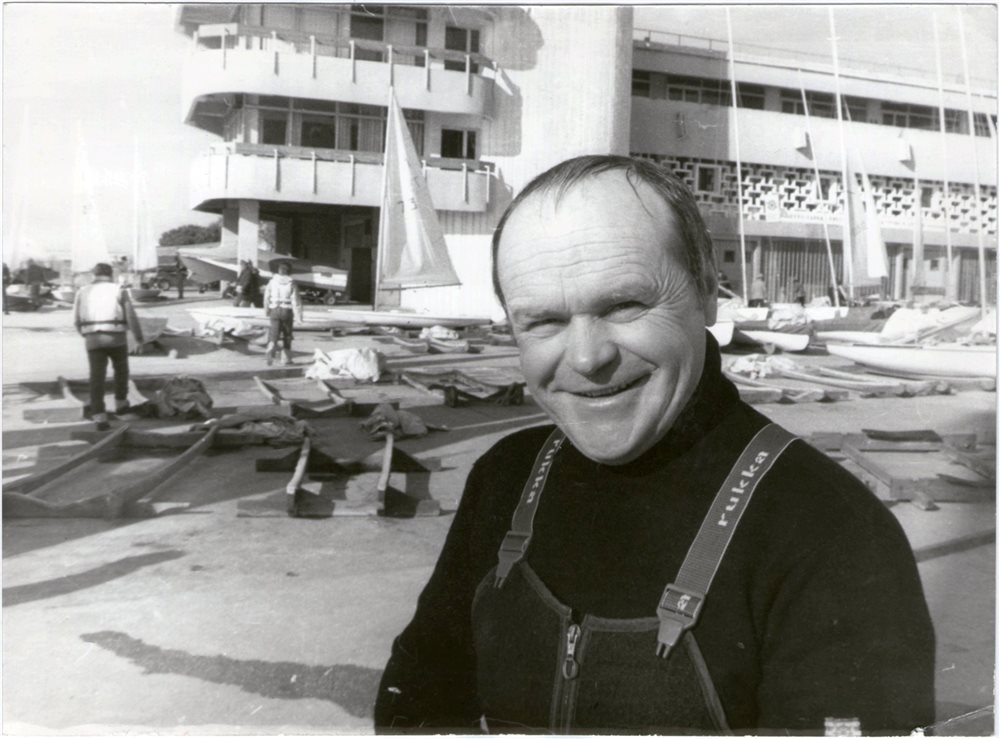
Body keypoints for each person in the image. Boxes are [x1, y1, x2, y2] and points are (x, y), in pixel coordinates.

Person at [373, 156, 934, 734]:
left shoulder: (832, 532)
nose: (587, 358)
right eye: (543, 321)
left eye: (624, 305)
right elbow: (415, 702)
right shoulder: (506, 478)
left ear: (707, 292)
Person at [73, 262, 143, 431]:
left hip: (93, 339)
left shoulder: (82, 291)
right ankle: (121, 406)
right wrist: (139, 339)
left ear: (94, 275)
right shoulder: (119, 290)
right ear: (111, 274)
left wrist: (87, 335)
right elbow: (131, 317)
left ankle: (99, 416)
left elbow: (76, 320)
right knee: (121, 371)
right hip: (116, 338)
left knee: (96, 376)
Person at [263, 260, 302, 366]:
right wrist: (298, 317)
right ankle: (286, 359)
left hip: (274, 310)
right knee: (287, 335)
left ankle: (271, 346)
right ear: (288, 271)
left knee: (274, 334)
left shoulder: (272, 281)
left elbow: (266, 297)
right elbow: (296, 301)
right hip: (286, 310)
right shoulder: (292, 283)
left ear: (278, 270)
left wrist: (266, 311)